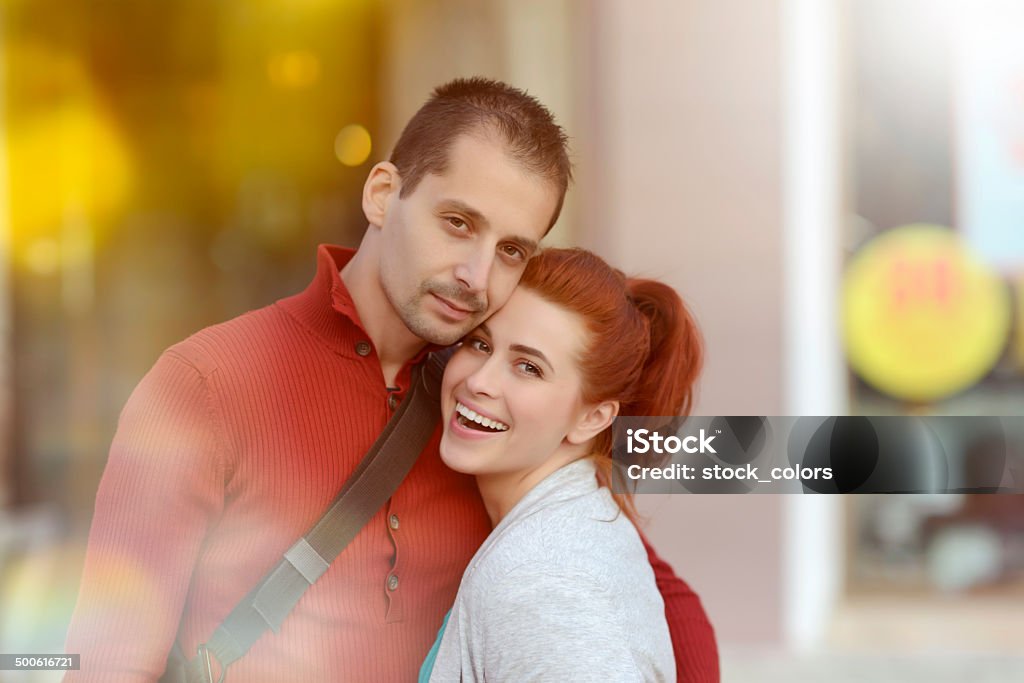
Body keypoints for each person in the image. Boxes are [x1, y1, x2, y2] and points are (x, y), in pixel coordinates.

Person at [65, 78, 718, 682]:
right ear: (382, 194)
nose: (477, 274)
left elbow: (650, 594)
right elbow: (106, 662)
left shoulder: (487, 410)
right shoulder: (203, 385)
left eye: (512, 249)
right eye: (458, 223)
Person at [419, 248, 700, 681]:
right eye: (480, 343)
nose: (478, 381)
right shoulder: (571, 528)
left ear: (592, 418)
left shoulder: (545, 581)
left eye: (528, 367)